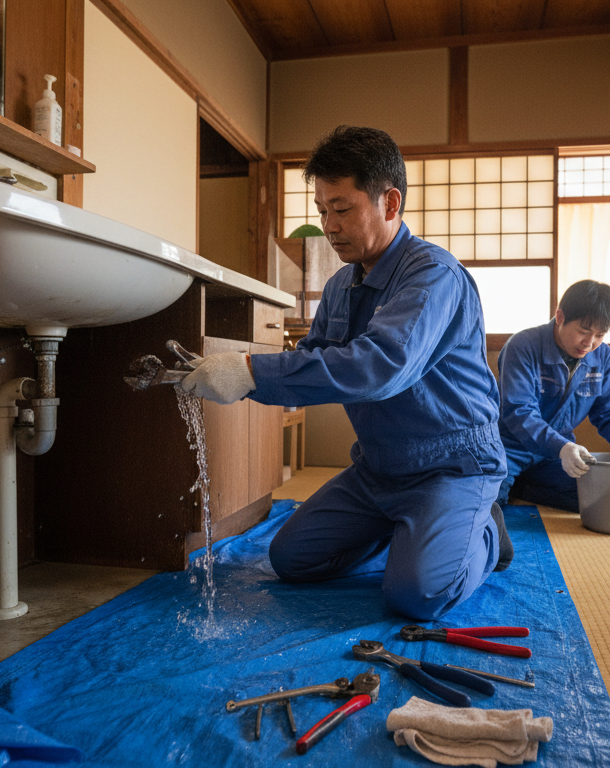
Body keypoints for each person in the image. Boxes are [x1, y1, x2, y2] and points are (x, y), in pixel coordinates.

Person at [179, 126, 509, 620]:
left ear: (390, 202)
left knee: (416, 595)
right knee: (292, 559)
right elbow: (313, 357)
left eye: (342, 209)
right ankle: (414, 533)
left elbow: (380, 367)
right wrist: (239, 376)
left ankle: (485, 532)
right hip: (378, 469)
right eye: (321, 210)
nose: (328, 226)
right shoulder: (340, 285)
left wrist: (248, 372)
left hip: (450, 465)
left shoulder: (433, 276)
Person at [496, 279, 610, 513]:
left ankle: (521, 486)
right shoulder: (523, 345)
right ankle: (508, 483)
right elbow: (519, 412)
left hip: (556, 455)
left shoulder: (603, 356)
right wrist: (562, 446)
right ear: (560, 317)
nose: (589, 343)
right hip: (509, 448)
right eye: (583, 331)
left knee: (602, 498)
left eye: (600, 334)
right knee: (486, 504)